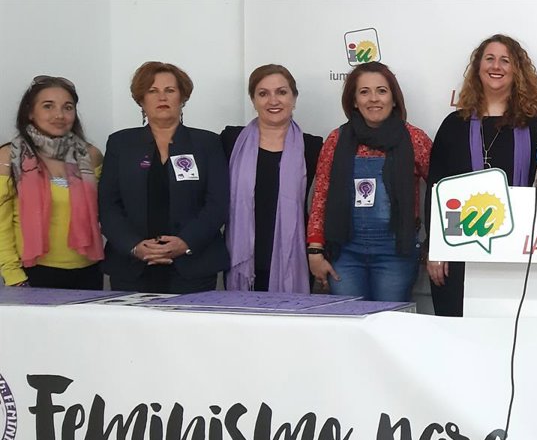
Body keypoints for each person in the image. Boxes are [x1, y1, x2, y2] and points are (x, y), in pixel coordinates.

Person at [426, 34, 537, 316]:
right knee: (458, 332)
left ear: (517, 70)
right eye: (489, 59)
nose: (496, 66)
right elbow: (435, 190)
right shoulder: (453, 125)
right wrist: (436, 248)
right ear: (478, 68)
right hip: (458, 249)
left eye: (506, 60)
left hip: (518, 250)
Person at [98, 62, 229, 293]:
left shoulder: (207, 143)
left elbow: (217, 204)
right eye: (152, 91)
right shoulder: (121, 144)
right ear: (141, 100)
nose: (162, 97)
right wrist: (134, 246)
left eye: (170, 90)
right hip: (132, 266)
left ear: (182, 97)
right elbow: (108, 205)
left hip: (193, 267)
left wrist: (185, 243)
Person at [306, 61, 431, 302]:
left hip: (396, 254)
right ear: (354, 101)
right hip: (345, 254)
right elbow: (321, 196)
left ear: (393, 99)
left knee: (389, 320)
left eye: (381, 91)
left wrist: (435, 245)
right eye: (364, 92)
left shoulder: (415, 139)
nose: (373, 99)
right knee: (348, 320)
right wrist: (315, 250)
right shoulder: (336, 140)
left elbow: (441, 191)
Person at [221, 64, 323, 293]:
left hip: (294, 257)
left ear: (294, 98)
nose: (273, 100)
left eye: (281, 92)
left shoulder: (313, 147)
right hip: (241, 256)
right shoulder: (231, 141)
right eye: (263, 93)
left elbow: (320, 207)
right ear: (253, 100)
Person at [0, 76, 104, 289]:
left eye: (68, 107)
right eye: (48, 106)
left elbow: (106, 210)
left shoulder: (91, 155)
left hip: (89, 270)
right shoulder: (9, 157)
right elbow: (2, 224)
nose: (59, 115)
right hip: (31, 272)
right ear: (30, 112)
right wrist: (13, 274)